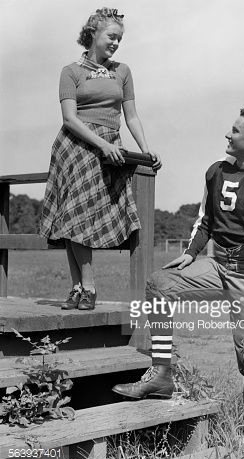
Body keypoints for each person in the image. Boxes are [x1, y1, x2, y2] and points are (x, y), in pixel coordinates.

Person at [112, 106, 244, 432]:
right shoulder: (215, 171)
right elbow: (205, 220)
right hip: (216, 263)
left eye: (235, 131)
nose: (227, 134)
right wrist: (190, 253)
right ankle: (162, 374)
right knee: (159, 284)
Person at [39, 8, 161, 311]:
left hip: (111, 150)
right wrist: (101, 145)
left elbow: (131, 115)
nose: (116, 43)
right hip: (76, 148)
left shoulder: (123, 71)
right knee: (73, 217)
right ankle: (85, 287)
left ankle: (79, 288)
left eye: (120, 39)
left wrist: (146, 149)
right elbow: (69, 118)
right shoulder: (71, 71)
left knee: (80, 218)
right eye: (111, 36)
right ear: (93, 32)